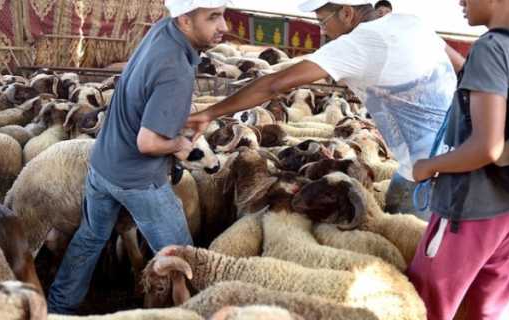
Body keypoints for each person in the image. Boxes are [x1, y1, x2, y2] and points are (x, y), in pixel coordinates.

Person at [188, 0, 459, 220]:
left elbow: (273, 84)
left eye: (322, 22)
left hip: (431, 175)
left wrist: (209, 113)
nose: (323, 31)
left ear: (347, 12)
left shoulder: (360, 43)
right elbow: (464, 66)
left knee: (415, 255)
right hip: (456, 156)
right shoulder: (411, 22)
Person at [46, 0, 230, 314]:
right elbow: (148, 142)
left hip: (104, 163)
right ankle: (194, 312)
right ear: (185, 21)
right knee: (183, 259)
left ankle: (58, 308)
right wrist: (181, 147)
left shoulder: (161, 31)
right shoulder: (176, 70)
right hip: (139, 179)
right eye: (213, 17)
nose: (224, 27)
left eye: (223, 15)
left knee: (91, 237)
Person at [408, 0, 509, 319]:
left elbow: (486, 147)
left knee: (425, 303)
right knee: (491, 306)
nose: (460, 3)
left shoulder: (491, 47)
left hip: (472, 205)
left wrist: (428, 166)